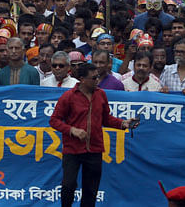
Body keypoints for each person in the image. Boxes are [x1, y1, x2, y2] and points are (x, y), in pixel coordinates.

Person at [50, 62, 136, 207]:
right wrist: (72, 130)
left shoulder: (101, 94)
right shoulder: (69, 96)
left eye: (97, 77)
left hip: (95, 149)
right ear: (82, 79)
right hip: (73, 149)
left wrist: (122, 124)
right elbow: (54, 120)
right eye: (94, 78)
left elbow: (106, 118)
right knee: (68, 185)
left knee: (91, 190)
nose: (97, 81)